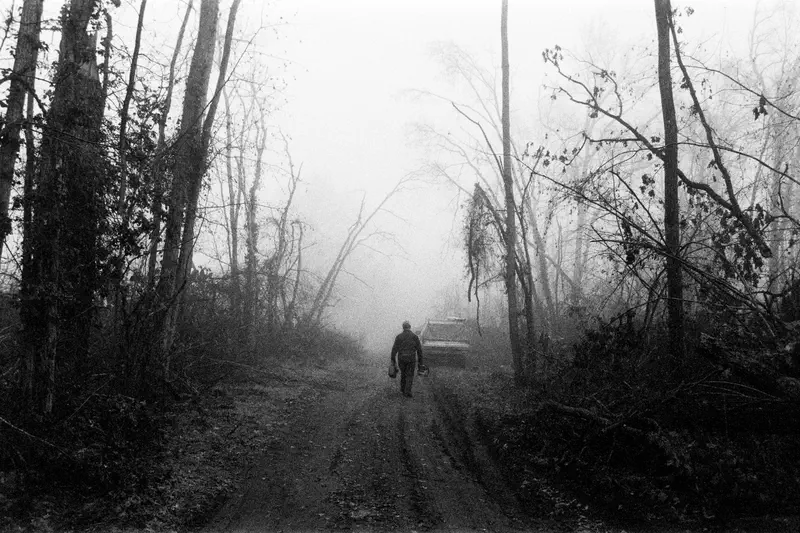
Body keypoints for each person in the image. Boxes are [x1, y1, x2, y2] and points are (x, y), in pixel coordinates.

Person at [390, 320, 424, 398]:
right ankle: (408, 391)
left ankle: (403, 389)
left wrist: (393, 360)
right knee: (410, 375)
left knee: (403, 373)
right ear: (410, 327)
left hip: (401, 358)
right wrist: (420, 362)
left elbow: (394, 349)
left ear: (403, 327)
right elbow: (419, 350)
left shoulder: (399, 337)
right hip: (411, 359)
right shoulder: (415, 337)